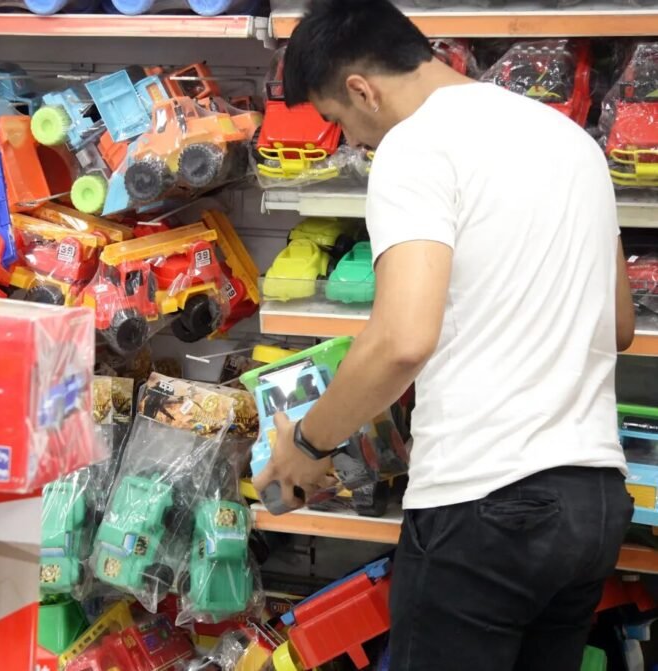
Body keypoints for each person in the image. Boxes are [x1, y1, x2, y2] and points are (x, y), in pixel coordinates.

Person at [250, 1, 637, 669]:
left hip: (484, 508)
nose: (353, 143)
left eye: (341, 122)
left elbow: (402, 338)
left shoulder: (416, 146)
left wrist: (307, 445)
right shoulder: (570, 140)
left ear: (361, 90)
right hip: (592, 505)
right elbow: (620, 324)